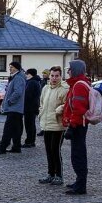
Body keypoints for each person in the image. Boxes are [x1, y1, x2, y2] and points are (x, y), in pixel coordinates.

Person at [62, 59, 91, 194]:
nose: (68, 71)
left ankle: (81, 185)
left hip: (78, 125)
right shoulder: (77, 84)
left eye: (70, 69)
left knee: (78, 155)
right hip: (78, 124)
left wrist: (71, 125)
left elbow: (78, 109)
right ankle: (79, 181)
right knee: (78, 154)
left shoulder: (78, 85)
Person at [37, 67, 69, 185]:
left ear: (61, 76)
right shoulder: (45, 88)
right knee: (48, 150)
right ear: (49, 76)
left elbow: (67, 104)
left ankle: (59, 175)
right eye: (52, 76)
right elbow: (41, 103)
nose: (54, 78)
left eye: (57, 76)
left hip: (58, 125)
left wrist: (59, 109)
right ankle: (50, 174)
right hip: (46, 124)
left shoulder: (64, 89)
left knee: (55, 150)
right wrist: (41, 113)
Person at [0, 61, 26, 155]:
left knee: (8, 129)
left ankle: (2, 148)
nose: (10, 68)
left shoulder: (18, 78)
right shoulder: (17, 77)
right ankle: (16, 147)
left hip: (14, 108)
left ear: (17, 68)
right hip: (16, 108)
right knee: (16, 129)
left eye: (11, 67)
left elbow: (18, 92)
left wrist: (9, 101)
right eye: (9, 67)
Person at [22, 68, 43, 147]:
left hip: (30, 107)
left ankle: (29, 141)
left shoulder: (31, 83)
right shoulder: (36, 82)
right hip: (33, 107)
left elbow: (27, 96)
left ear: (30, 74)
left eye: (27, 73)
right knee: (31, 125)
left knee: (29, 125)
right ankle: (31, 141)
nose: (26, 75)